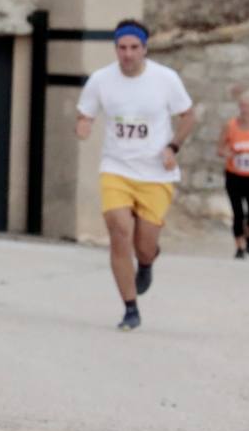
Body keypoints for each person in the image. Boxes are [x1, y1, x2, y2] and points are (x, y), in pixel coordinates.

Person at [76, 18, 195, 331]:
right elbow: (85, 113)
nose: (127, 54)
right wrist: (83, 125)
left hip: (156, 173)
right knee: (119, 232)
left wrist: (173, 146)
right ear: (115, 48)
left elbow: (188, 116)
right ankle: (130, 308)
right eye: (122, 48)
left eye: (133, 48)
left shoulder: (165, 79)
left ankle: (146, 260)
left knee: (144, 245)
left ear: (144, 49)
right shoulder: (101, 80)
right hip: (116, 168)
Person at [219, 86, 249, 259]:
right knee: (238, 213)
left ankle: (248, 234)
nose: (246, 109)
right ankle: (239, 247)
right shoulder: (230, 126)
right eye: (243, 106)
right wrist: (229, 154)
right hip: (234, 175)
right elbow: (220, 149)